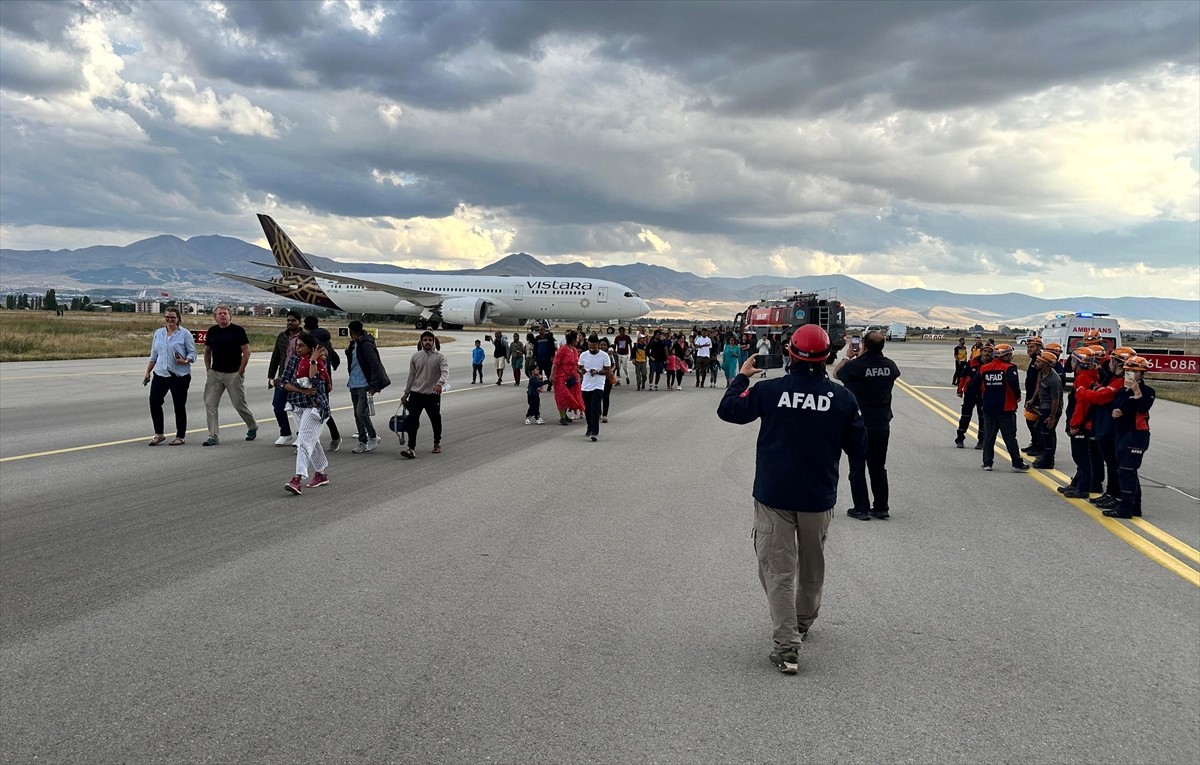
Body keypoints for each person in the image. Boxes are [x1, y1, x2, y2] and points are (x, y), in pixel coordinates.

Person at [717, 325, 867, 675]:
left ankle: (787, 647)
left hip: (775, 495)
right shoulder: (842, 398)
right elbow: (859, 448)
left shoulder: (770, 391)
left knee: (778, 570)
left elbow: (728, 410)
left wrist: (741, 377)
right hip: (818, 496)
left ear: (789, 352)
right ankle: (802, 621)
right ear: (828, 356)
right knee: (812, 565)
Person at [834, 330, 901, 520]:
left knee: (857, 466)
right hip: (881, 423)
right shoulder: (889, 365)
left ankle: (861, 508)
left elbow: (837, 373)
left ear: (863, 345)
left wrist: (849, 357)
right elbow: (892, 373)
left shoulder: (856, 366)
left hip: (859, 423)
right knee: (878, 466)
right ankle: (881, 506)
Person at [1104, 356, 1155, 519]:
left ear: (1142, 374)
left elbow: (1143, 406)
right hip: (1122, 434)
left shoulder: (1147, 392)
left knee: (1127, 471)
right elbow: (1118, 406)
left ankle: (1125, 508)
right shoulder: (1122, 391)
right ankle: (1134, 507)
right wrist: (1116, 412)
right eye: (1128, 371)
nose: (1130, 374)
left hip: (1137, 435)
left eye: (1134, 371)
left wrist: (1136, 390)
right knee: (1126, 471)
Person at [280, 332, 331, 494]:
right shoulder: (294, 361)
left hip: (315, 408)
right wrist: (302, 390)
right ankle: (321, 474)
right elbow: (284, 383)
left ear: (311, 348)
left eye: (301, 345)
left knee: (303, 441)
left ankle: (297, 479)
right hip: (297, 405)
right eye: (296, 345)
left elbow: (316, 381)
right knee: (311, 440)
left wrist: (314, 360)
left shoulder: (319, 362)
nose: (297, 348)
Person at [201, 305, 256, 446]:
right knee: (210, 403)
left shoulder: (238, 331)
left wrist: (241, 370)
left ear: (230, 316)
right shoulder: (212, 331)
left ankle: (252, 426)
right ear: (215, 317)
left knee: (238, 404)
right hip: (215, 373)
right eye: (219, 314)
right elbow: (207, 351)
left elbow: (246, 351)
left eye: (225, 313)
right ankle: (213, 436)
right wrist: (208, 369)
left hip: (233, 373)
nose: (222, 316)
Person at [143, 307, 196, 446]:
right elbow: (154, 355)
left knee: (179, 405)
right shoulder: (158, 333)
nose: (170, 320)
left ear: (178, 318)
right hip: (160, 373)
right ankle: (159, 434)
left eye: (173, 317)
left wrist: (184, 361)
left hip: (179, 375)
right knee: (154, 402)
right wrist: (148, 371)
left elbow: (193, 354)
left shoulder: (185, 334)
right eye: (167, 317)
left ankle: (180, 436)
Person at [975, 344, 1030, 472]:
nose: (1011, 357)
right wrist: (1017, 397)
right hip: (1006, 408)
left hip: (988, 407)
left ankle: (987, 462)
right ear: (1004, 356)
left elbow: (975, 384)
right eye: (1009, 355)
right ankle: (1016, 463)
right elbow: (1014, 385)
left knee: (989, 436)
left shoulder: (984, 368)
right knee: (1010, 436)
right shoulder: (1009, 368)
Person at [399, 331, 449, 458]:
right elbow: (411, 376)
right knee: (412, 420)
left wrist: (439, 384)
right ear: (421, 341)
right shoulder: (415, 356)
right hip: (416, 394)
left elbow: (445, 372)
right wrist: (406, 393)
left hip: (432, 395)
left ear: (434, 341)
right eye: (425, 340)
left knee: (435, 419)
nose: (428, 342)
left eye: (430, 340)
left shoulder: (440, 357)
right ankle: (411, 448)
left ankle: (437, 443)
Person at [346, 320, 390, 454]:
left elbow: (374, 364)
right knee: (357, 414)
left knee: (361, 413)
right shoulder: (354, 344)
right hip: (354, 382)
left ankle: (373, 436)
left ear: (351, 331)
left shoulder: (365, 345)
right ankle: (362, 441)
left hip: (364, 384)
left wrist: (375, 385)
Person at [1060, 346, 1098, 498]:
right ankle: (1077, 482)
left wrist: (1075, 425)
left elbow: (1081, 405)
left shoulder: (1082, 378)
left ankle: (1083, 487)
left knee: (1081, 457)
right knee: (1082, 456)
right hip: (1086, 422)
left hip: (1082, 423)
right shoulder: (1090, 375)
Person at [304, 315, 342, 452]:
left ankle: (310, 440)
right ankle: (308, 439)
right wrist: (334, 367)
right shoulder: (326, 342)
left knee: (318, 410)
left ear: (305, 326)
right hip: (324, 381)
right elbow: (336, 358)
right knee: (315, 410)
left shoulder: (312, 342)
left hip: (316, 381)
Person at [267, 310, 303, 446]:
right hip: (283, 377)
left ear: (299, 322)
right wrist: (271, 375)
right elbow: (275, 356)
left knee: (298, 408)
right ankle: (285, 433)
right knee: (277, 405)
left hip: (299, 378)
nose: (290, 323)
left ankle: (301, 435)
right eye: (288, 320)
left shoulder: (305, 337)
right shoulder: (282, 337)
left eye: (293, 320)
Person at [1031, 350, 1063, 470]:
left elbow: (1056, 400)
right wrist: (1033, 399)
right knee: (1041, 431)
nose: (1036, 363)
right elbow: (1038, 386)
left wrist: (1052, 417)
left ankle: (1048, 460)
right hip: (1043, 406)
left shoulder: (1054, 379)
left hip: (1051, 409)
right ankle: (1046, 456)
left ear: (1046, 364)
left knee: (1047, 433)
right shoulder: (1041, 373)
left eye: (1039, 361)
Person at [955, 344, 991, 449]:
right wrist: (960, 389)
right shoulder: (972, 362)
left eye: (989, 352)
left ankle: (981, 441)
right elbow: (962, 376)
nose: (987, 354)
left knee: (983, 418)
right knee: (965, 417)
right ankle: (960, 439)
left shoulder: (993, 364)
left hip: (984, 395)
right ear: (981, 352)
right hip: (970, 393)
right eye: (985, 351)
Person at [578, 334, 611, 441]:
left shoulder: (604, 356)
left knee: (595, 408)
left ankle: (594, 431)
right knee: (587, 409)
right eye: (590, 347)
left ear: (598, 345)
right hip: (586, 385)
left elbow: (608, 371)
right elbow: (578, 367)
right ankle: (589, 427)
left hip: (598, 385)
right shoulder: (583, 355)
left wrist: (598, 372)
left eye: (594, 347)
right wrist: (581, 371)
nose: (592, 349)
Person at [551, 330, 585, 425]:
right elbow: (555, 362)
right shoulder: (562, 349)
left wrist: (579, 372)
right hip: (560, 376)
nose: (578, 340)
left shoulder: (574, 350)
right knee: (562, 396)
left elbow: (574, 364)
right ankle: (562, 417)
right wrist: (552, 375)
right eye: (577, 338)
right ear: (573, 339)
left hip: (572, 376)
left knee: (571, 396)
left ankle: (565, 415)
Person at [1020, 337, 1045, 459]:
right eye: (1028, 347)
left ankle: (1039, 447)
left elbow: (1039, 382)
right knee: (1029, 421)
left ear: (1039, 348)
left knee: (1035, 423)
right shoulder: (1032, 360)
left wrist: (1034, 399)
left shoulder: (1039, 361)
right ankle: (1034, 443)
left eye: (1032, 347)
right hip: (1030, 395)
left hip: (1036, 398)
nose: (1029, 349)